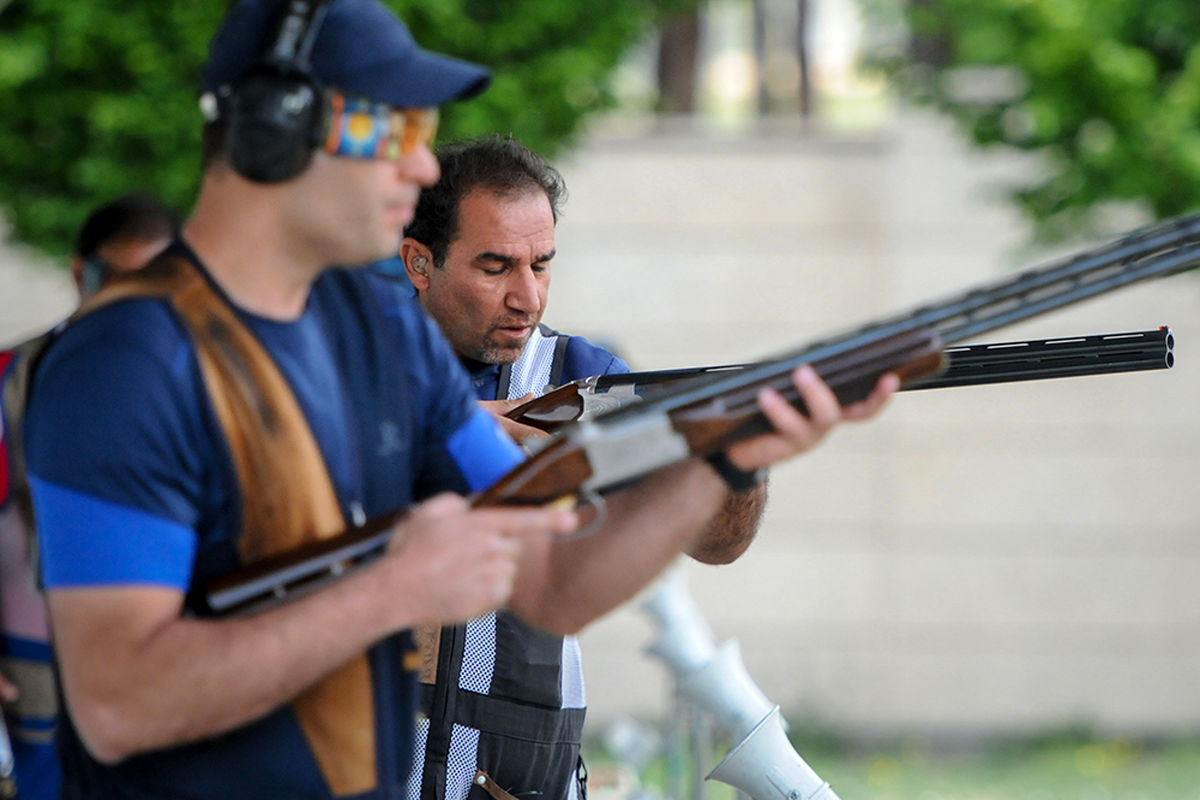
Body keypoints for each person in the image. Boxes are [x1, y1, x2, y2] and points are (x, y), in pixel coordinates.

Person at [23, 1, 894, 798]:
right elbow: (119, 704)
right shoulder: (125, 360)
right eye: (389, 128)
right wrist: (391, 588)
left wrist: (724, 456)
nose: (420, 162)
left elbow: (551, 582)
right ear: (273, 132)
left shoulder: (381, 332)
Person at [398, 135, 776, 800]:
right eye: (495, 268)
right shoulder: (351, 364)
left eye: (541, 265)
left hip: (516, 780)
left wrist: (734, 462)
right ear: (419, 262)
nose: (528, 297)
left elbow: (719, 545)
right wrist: (485, 425)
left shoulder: (583, 379)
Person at [0, 193, 177, 800]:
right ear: (82, 273)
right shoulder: (13, 375)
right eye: (117, 277)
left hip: (172, 657)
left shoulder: (212, 380)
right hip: (38, 652)